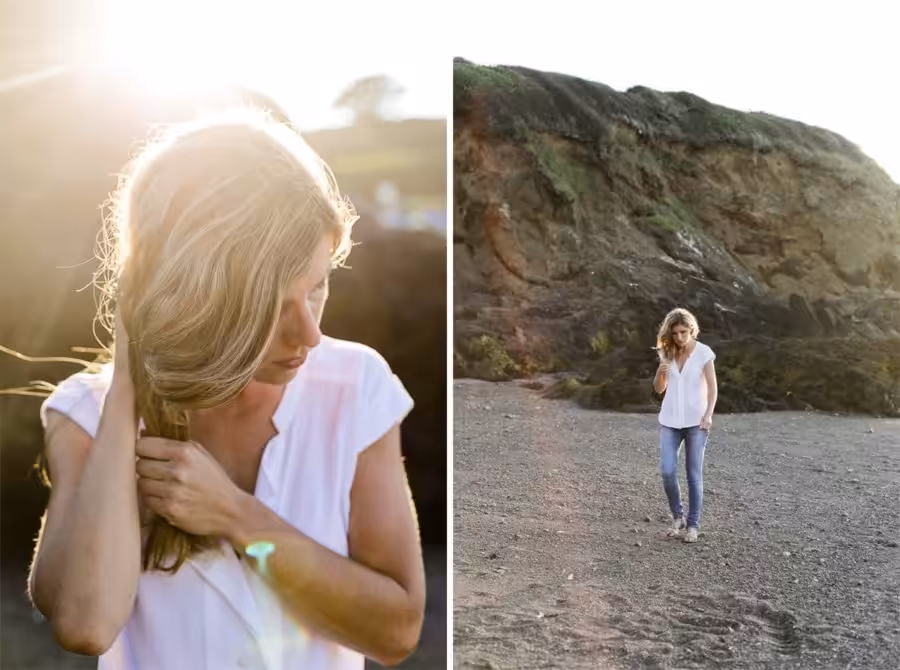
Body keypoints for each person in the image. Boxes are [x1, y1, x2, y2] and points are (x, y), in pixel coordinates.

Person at [27, 108, 426, 669]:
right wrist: (128, 379)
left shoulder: (354, 387)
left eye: (317, 288)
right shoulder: (85, 415)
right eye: (268, 307)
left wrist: (236, 516)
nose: (309, 334)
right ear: (196, 296)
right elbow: (86, 625)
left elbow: (398, 632)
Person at [652, 308, 718, 544]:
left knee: (693, 474)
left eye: (683, 332)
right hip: (669, 421)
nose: (679, 337)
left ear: (692, 330)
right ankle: (677, 517)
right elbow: (660, 389)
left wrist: (708, 415)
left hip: (696, 422)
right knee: (667, 471)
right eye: (675, 332)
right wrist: (661, 371)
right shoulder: (667, 352)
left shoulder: (704, 353)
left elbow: (712, 388)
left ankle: (692, 526)